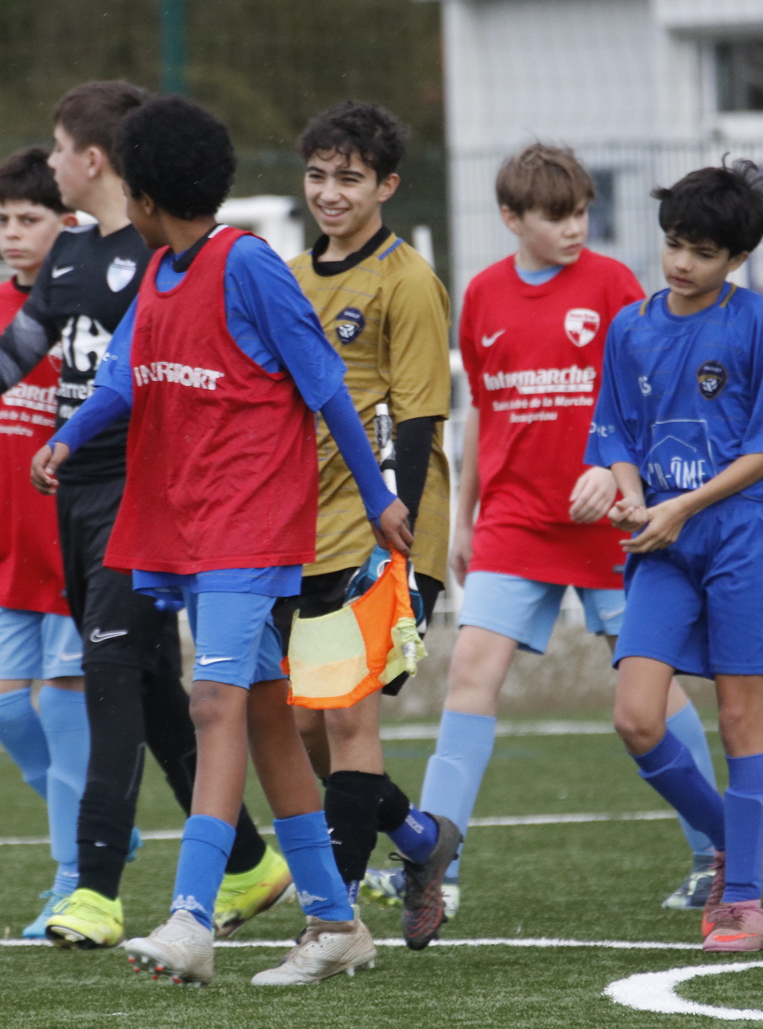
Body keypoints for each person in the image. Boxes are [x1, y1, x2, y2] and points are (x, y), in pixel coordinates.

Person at [0, 82, 284, 949]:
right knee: (150, 689)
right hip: (75, 499)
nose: (48, 161)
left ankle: (95, 889)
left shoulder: (164, 253)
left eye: (56, 147)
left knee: (105, 675)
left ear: (92, 159)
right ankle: (250, 861)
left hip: (144, 500)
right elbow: (8, 356)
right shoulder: (71, 254)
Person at [33, 96, 414, 987]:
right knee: (270, 718)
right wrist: (68, 436)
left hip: (252, 524)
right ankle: (336, 923)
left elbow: (326, 384)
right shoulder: (161, 274)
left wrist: (377, 496)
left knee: (213, 706)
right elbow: (123, 378)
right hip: (192, 527)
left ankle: (192, 917)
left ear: (144, 197)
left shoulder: (247, 265)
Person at [383, 144, 728, 923]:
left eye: (582, 213)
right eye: (558, 216)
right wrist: (466, 514)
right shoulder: (482, 294)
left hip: (612, 523)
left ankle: (717, 851)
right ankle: (435, 866)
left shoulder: (613, 286)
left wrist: (613, 471)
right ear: (511, 218)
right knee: (469, 673)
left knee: (652, 688)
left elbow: (649, 396)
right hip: (513, 523)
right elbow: (484, 409)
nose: (577, 228)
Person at [586, 159, 763, 953]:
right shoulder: (630, 327)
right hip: (662, 542)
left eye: (704, 252)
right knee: (635, 717)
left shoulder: (760, 324)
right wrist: (629, 494)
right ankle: (736, 838)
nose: (682, 262)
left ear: (737, 258)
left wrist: (683, 505)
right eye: (675, 243)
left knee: (739, 716)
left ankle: (742, 901)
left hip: (739, 536)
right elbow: (615, 432)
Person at [283, 101, 461, 950]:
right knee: (304, 727)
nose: (330, 192)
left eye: (349, 178)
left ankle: (336, 915)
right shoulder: (288, 274)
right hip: (300, 528)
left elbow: (418, 417)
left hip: (380, 525)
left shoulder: (408, 280)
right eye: (318, 175)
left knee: (349, 719)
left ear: (386, 185)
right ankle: (421, 840)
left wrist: (404, 537)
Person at [0, 147, 97, 938]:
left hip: (73, 545)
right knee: (2, 706)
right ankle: (95, 820)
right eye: (0, 219)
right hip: (8, 549)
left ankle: (72, 877)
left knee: (64, 706)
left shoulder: (91, 303)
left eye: (27, 218)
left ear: (66, 222)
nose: (11, 232)